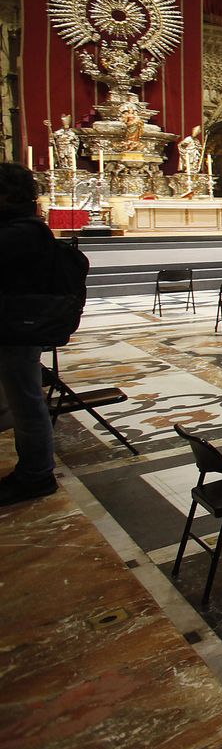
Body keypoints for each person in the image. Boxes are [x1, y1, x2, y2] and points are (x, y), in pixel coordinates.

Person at [0, 165, 58, 505]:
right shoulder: (21, 228)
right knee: (23, 400)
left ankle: (36, 473)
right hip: (16, 325)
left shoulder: (21, 232)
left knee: (26, 403)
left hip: (17, 328)